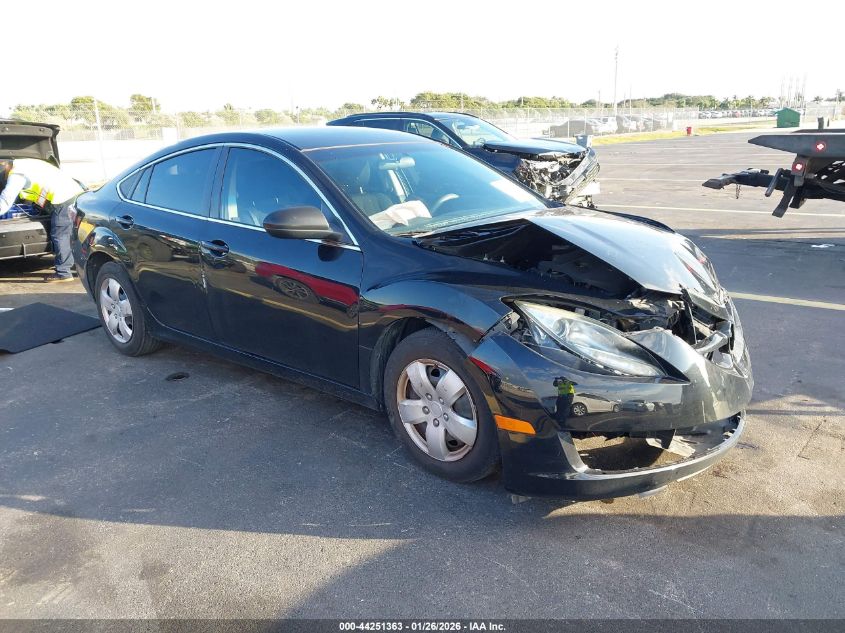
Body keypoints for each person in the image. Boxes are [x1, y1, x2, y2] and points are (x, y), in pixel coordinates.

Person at [0, 158, 84, 282]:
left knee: (60, 235)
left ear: (5, 167)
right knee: (71, 234)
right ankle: (75, 266)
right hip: (74, 193)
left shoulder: (17, 174)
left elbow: (6, 199)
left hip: (63, 198)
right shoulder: (24, 162)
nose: (5, 177)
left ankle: (63, 273)